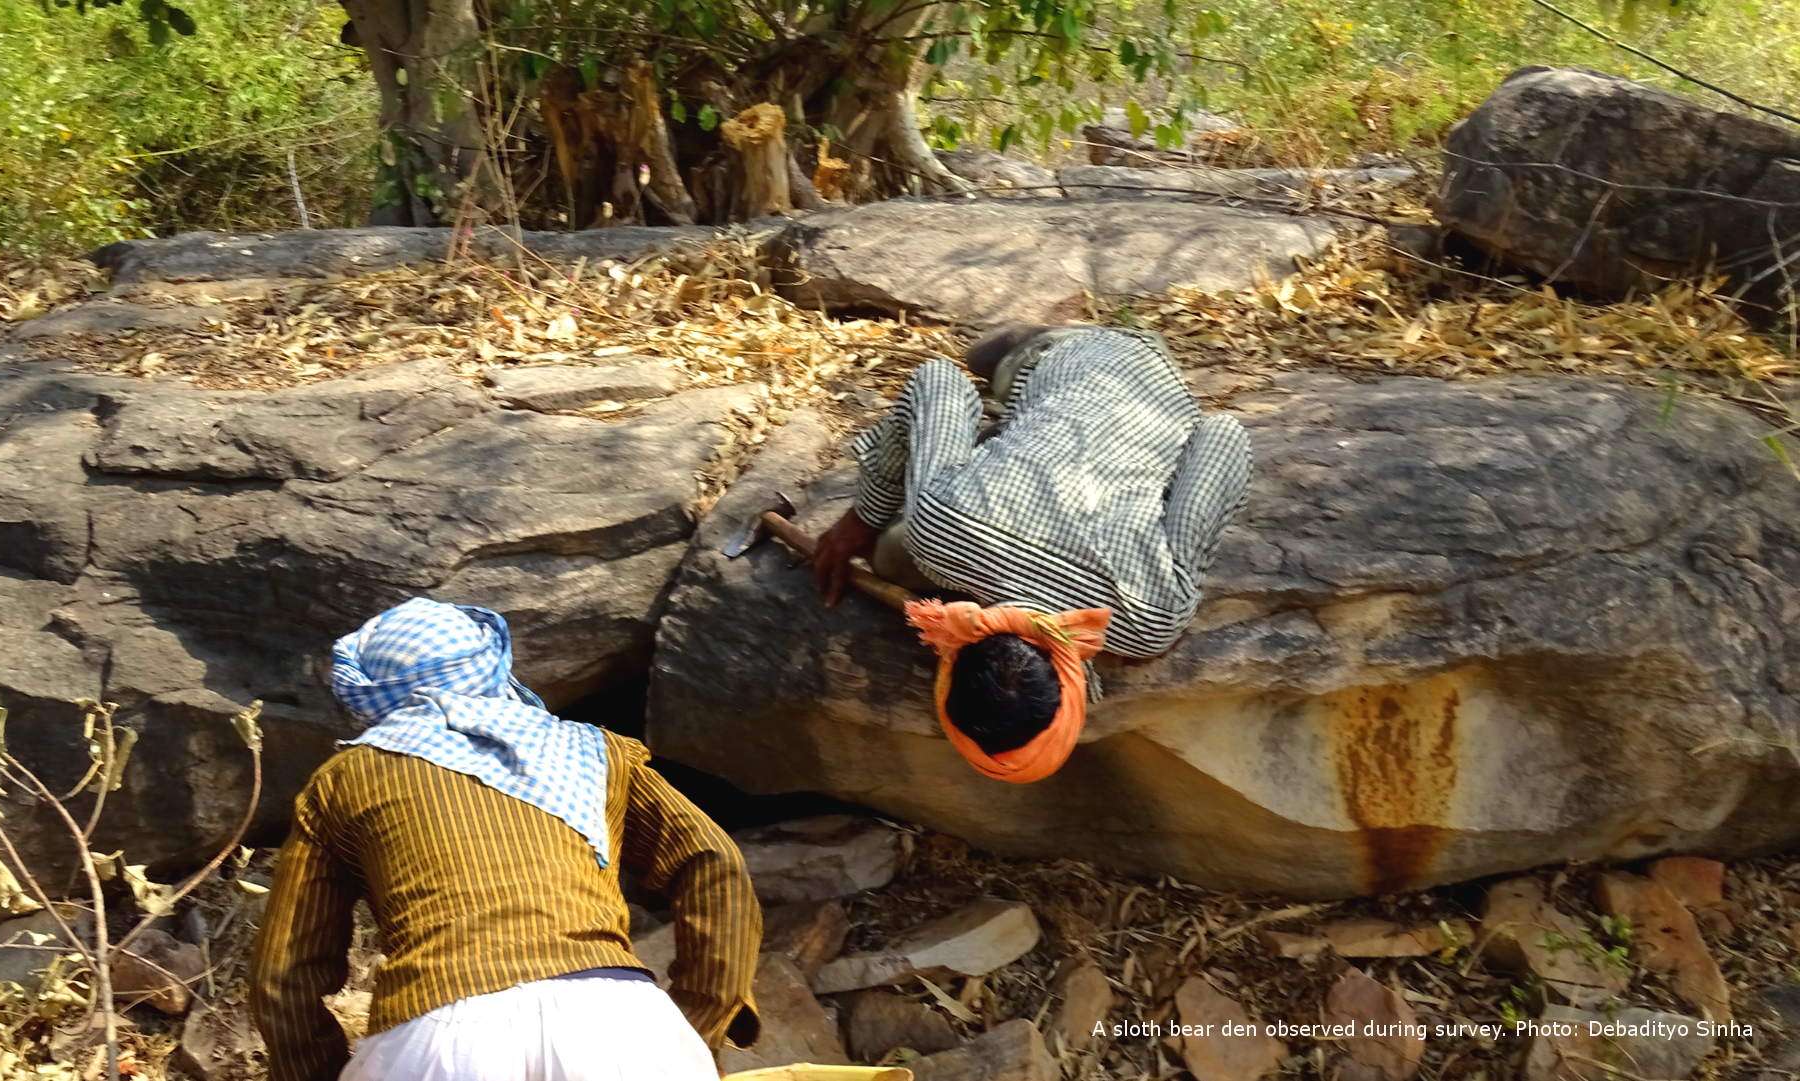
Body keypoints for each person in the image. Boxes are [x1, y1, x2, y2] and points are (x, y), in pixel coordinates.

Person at [250, 597, 760, 1081]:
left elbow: (284, 976)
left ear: (367, 688)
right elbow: (711, 860)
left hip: (436, 1040)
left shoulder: (344, 779)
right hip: (622, 1024)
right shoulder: (592, 751)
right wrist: (694, 1022)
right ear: (492, 665)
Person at [813, 324, 1252, 783]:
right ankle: (1022, 363)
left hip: (1127, 376)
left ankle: (1022, 376)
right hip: (1083, 369)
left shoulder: (1149, 620)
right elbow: (940, 379)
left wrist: (1156, 617)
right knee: (895, 551)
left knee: (893, 555)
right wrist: (861, 521)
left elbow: (1223, 436)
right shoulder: (938, 532)